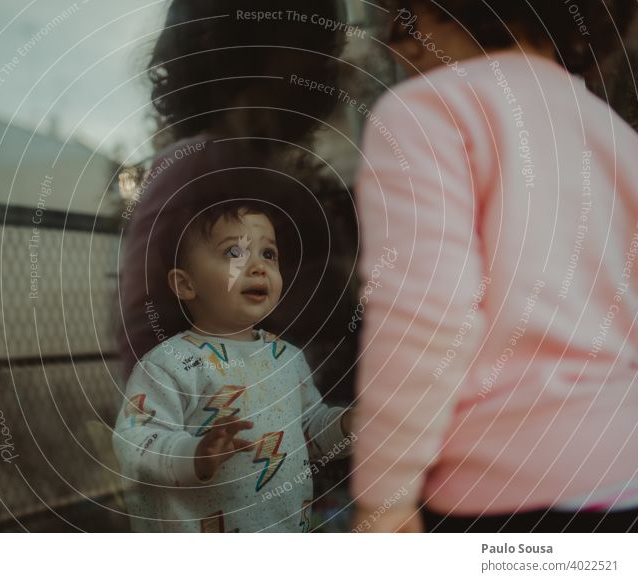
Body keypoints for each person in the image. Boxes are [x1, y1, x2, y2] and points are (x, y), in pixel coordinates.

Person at [351, 0, 638, 532]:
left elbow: (427, 309)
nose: (394, 45)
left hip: (503, 493)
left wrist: (384, 494)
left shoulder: (425, 110)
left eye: (398, 18)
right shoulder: (612, 132)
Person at [117, 0, 351, 377]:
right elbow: (147, 325)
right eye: (311, 42)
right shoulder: (201, 170)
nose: (326, 66)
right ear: (255, 46)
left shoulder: (267, 174)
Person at [113, 201, 354, 532]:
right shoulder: (170, 364)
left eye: (268, 254)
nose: (258, 267)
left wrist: (347, 426)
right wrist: (194, 454)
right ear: (185, 285)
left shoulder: (287, 357)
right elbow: (134, 443)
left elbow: (308, 433)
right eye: (234, 253)